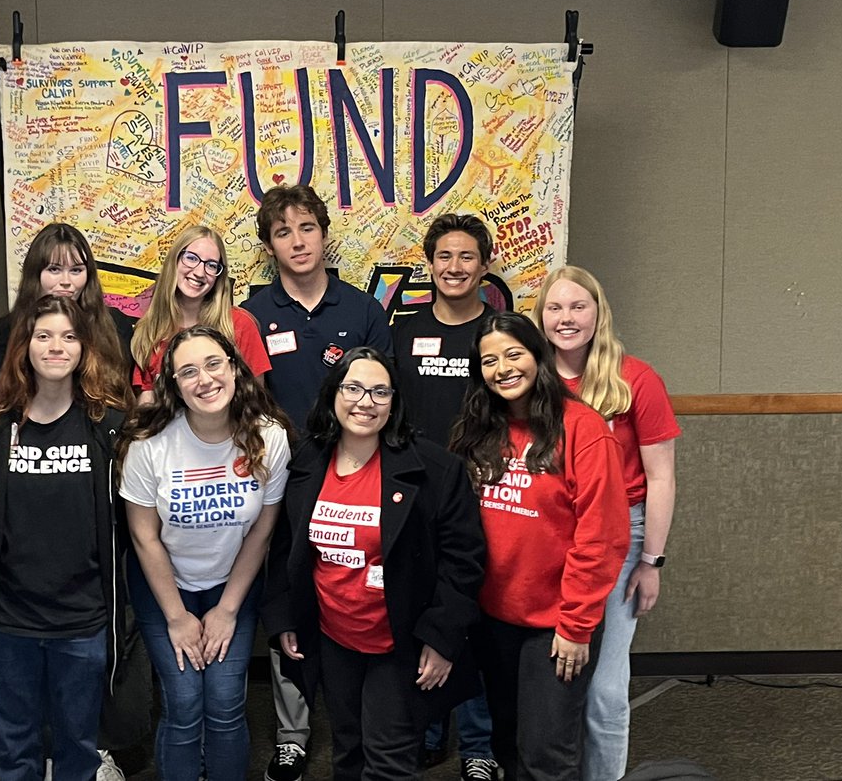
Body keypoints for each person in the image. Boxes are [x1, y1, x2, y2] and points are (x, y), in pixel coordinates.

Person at [261, 346, 486, 781]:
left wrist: (441, 638)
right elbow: (285, 546)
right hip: (333, 637)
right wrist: (284, 615)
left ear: (395, 402)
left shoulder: (436, 469)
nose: (365, 401)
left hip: (401, 641)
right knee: (348, 749)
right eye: (353, 388)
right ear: (333, 395)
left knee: (388, 758)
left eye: (380, 392)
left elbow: (464, 562)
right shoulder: (307, 460)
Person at [242, 183, 391, 781]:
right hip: (286, 478)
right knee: (291, 592)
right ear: (269, 246)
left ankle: (367, 722)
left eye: (307, 228)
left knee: (358, 594)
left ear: (324, 234)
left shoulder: (362, 311)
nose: (297, 241)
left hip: (355, 474)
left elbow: (384, 393)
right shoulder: (254, 313)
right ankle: (292, 733)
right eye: (283, 232)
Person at [449, 312, 629, 781]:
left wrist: (575, 625)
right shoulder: (478, 429)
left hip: (555, 624)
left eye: (514, 354)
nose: (503, 368)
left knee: (547, 754)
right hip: (493, 619)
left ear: (538, 357)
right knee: (506, 741)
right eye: (489, 360)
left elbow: (603, 537)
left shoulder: (583, 428)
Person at [0, 295, 135, 781]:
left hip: (82, 618)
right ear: (24, 346)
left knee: (78, 749)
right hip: (6, 619)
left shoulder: (111, 427)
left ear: (85, 348)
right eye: (43, 336)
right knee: (12, 749)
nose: (56, 347)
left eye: (69, 337)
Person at [117, 326, 290, 781]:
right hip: (163, 587)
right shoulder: (149, 442)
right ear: (173, 385)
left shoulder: (269, 436)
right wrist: (176, 617)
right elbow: (143, 536)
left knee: (226, 699)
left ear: (234, 368)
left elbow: (263, 529)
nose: (205, 379)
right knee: (185, 701)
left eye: (214, 364)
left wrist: (227, 610)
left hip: (231, 583)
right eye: (188, 372)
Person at [534, 267, 681, 781]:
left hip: (621, 538)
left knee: (603, 685)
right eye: (555, 308)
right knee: (548, 675)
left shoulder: (634, 378)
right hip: (548, 532)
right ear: (541, 317)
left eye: (578, 306)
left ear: (598, 313)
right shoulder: (531, 377)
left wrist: (651, 562)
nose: (566, 318)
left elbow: (661, 476)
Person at [390, 212, 500, 781]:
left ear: (485, 265)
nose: (454, 267)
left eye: (466, 257)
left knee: (470, 615)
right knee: (419, 612)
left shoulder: (499, 334)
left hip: (483, 494)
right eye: (443, 257)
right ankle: (428, 732)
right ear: (429, 265)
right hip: (414, 494)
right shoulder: (403, 330)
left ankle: (479, 745)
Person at [0, 222, 135, 397]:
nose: (66, 281)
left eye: (76, 270)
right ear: (35, 274)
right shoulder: (5, 332)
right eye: (54, 269)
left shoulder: (115, 325)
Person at [130, 225, 271, 402]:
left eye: (211, 265)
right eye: (191, 258)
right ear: (174, 260)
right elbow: (146, 406)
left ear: (219, 276)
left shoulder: (238, 324)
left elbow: (255, 400)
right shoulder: (149, 330)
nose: (199, 272)